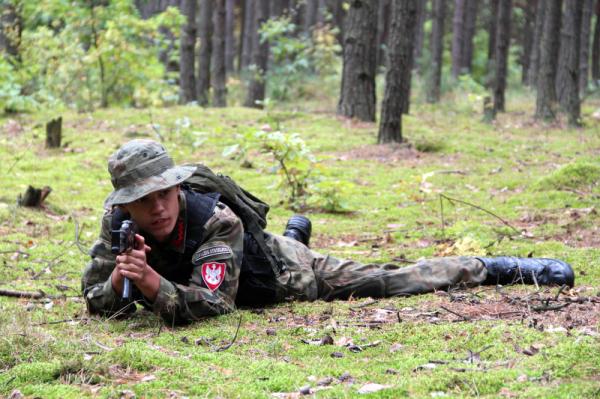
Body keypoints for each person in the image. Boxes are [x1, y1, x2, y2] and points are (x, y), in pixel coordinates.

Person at [81, 140, 575, 324]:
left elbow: (217, 305)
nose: (157, 209)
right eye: (143, 201)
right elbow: (95, 297)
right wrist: (123, 280)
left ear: (176, 187)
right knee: (287, 241)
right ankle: (296, 232)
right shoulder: (120, 227)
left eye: (163, 194)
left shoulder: (216, 219)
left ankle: (494, 267)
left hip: (288, 276)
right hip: (256, 261)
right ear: (125, 204)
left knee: (390, 279)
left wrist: (150, 284)